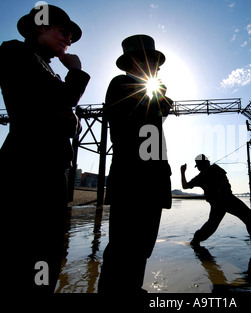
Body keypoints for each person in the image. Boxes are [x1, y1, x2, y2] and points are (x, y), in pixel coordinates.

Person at [0, 5, 90, 293]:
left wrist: (65, 110)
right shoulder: (15, 52)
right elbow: (66, 101)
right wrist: (76, 71)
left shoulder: (47, 69)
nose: (67, 41)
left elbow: (67, 118)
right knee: (2, 253)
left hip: (48, 170)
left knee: (45, 251)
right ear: (40, 27)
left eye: (70, 38)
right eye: (63, 32)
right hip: (23, 169)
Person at [98, 34, 173, 294]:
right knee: (123, 248)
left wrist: (160, 98)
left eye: (156, 63)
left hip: (151, 181)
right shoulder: (120, 84)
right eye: (151, 61)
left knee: (141, 248)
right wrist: (158, 95)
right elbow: (140, 118)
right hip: (132, 181)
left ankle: (131, 289)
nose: (156, 68)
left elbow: (155, 121)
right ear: (134, 61)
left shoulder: (147, 91)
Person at [181, 154, 251, 252]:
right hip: (227, 200)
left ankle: (195, 240)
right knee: (248, 216)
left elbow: (185, 186)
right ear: (205, 163)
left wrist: (182, 172)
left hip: (218, 204)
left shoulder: (202, 176)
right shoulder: (210, 171)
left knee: (211, 226)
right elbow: (224, 181)